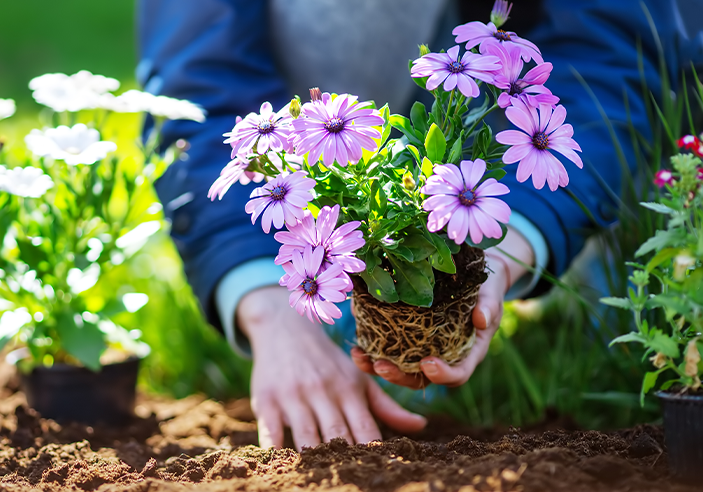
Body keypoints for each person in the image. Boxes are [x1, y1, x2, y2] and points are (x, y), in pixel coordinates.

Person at [136, 0, 703, 449]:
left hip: (560, 144)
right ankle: (333, 300)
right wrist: (264, 303)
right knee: (381, 384)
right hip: (349, 173)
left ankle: (586, 255)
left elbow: (617, 49)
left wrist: (504, 252)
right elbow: (196, 86)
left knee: (626, 333)